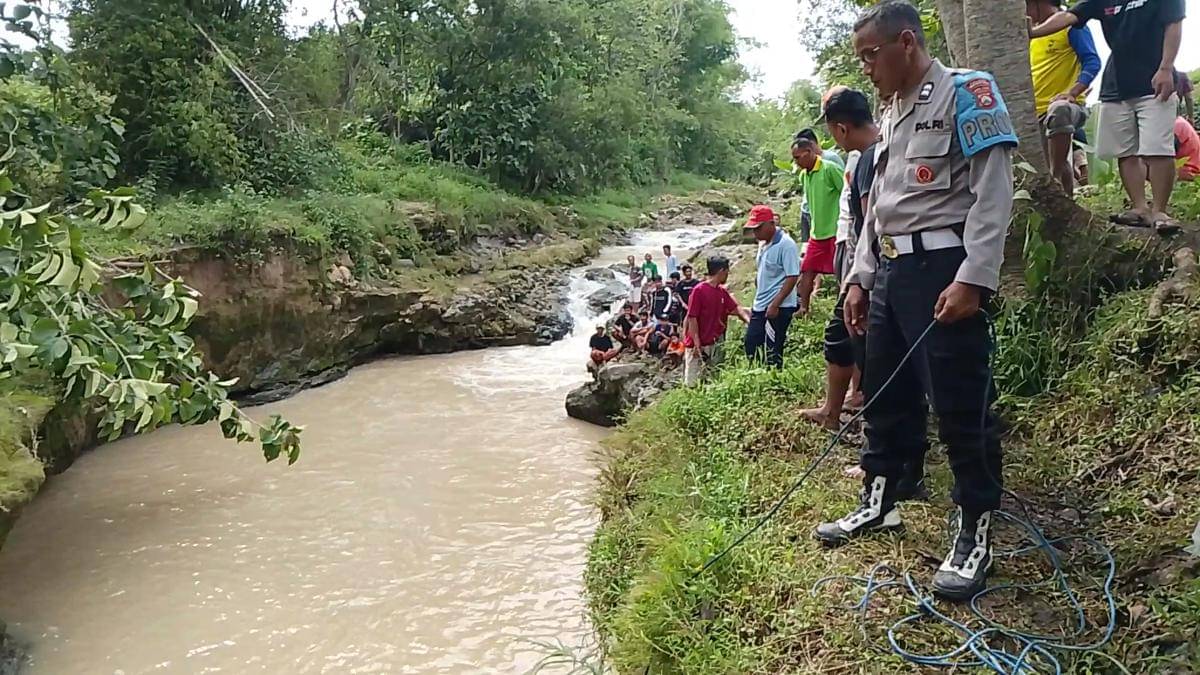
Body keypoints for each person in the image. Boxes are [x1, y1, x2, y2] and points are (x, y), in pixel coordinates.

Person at [817, 1, 1015, 603]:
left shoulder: (967, 92)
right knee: (884, 394)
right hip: (893, 271)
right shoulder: (892, 110)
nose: (867, 69)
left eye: (872, 56)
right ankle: (879, 502)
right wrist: (860, 275)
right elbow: (880, 206)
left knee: (959, 406)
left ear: (907, 43)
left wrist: (975, 277)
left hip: (944, 269)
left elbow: (993, 190)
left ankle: (974, 530)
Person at [1031, 0, 1186, 233]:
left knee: (1158, 149)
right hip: (1116, 85)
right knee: (1124, 151)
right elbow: (1069, 16)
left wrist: (1166, 68)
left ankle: (1160, 211)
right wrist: (1033, 32)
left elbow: (1173, 25)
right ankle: (1139, 208)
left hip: (1154, 82)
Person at [1026, 0, 1101, 193]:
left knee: (1059, 111)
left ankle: (1055, 177)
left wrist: (1072, 92)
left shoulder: (1070, 25)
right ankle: (1066, 201)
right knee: (1055, 162)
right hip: (1034, 111)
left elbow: (1092, 61)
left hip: (1066, 106)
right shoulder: (1031, 32)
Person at [792, 130, 845, 316]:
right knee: (807, 269)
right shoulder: (804, 176)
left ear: (809, 151)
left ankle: (842, 308)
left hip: (835, 230)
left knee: (841, 271)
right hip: (817, 232)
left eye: (798, 157)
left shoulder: (830, 168)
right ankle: (804, 308)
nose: (796, 162)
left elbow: (847, 192)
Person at [743, 205, 800, 369]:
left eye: (759, 228)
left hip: (778, 307)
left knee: (773, 349)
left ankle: (773, 380)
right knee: (752, 342)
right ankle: (757, 375)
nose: (756, 233)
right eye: (753, 229)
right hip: (760, 304)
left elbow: (792, 276)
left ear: (770, 224)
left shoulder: (786, 245)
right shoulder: (762, 243)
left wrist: (775, 304)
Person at [683, 256, 750, 386]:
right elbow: (692, 318)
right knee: (693, 383)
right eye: (726, 272)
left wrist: (748, 321)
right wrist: (697, 343)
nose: (727, 275)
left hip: (714, 343)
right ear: (721, 271)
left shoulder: (721, 291)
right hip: (698, 345)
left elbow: (736, 308)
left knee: (713, 378)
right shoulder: (699, 290)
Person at [794, 128, 846, 243]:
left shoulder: (830, 162)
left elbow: (844, 189)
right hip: (808, 212)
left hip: (829, 222)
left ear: (811, 146)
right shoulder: (804, 172)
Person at [1176, 116, 1200, 181]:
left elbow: (1163, 155)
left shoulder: (1177, 125)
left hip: (1189, 171)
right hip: (1186, 169)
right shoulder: (1179, 121)